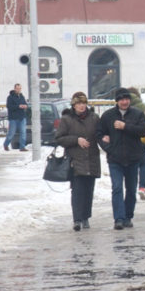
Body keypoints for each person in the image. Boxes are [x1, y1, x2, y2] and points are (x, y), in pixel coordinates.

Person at [97, 87, 145, 230]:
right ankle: (118, 219)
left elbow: (144, 131)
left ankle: (128, 217)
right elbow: (99, 134)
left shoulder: (137, 114)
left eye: (126, 99)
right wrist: (108, 147)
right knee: (117, 188)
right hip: (115, 159)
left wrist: (125, 126)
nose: (124, 102)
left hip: (133, 158)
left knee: (131, 190)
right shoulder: (108, 116)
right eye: (121, 100)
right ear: (117, 101)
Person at [55, 92, 101, 231]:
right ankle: (77, 219)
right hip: (75, 160)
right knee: (77, 191)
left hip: (91, 159)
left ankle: (86, 217)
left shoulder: (94, 118)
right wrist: (76, 140)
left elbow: (100, 134)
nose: (81, 106)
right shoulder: (67, 119)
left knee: (88, 190)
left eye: (83, 103)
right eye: (79, 103)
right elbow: (59, 138)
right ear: (74, 105)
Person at [127, 87, 145, 200]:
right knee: (143, 164)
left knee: (133, 165)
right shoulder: (143, 107)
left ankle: (132, 187)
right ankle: (142, 187)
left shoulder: (125, 107)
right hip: (143, 139)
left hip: (130, 140)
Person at [3, 83, 28, 151]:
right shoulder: (10, 97)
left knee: (23, 132)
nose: (19, 90)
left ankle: (22, 147)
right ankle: (6, 144)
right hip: (13, 118)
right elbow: (9, 106)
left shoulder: (22, 96)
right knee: (11, 133)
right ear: (14, 89)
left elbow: (25, 103)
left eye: (20, 88)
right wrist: (18, 106)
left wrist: (25, 106)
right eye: (17, 88)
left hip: (22, 117)